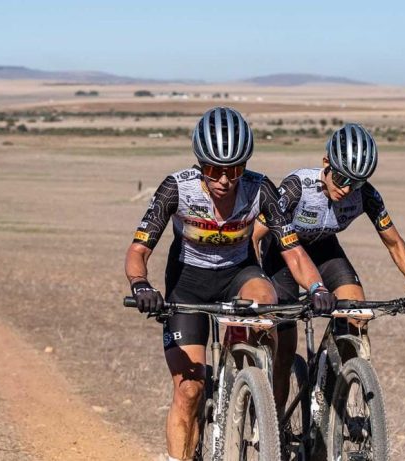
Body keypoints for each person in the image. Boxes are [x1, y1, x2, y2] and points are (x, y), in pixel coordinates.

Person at [124, 107, 336, 461]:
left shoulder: (259, 188)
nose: (224, 180)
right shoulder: (177, 188)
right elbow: (138, 249)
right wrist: (140, 285)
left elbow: (293, 251)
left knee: (266, 302)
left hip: (239, 273)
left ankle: (250, 385)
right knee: (188, 391)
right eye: (214, 170)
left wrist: (317, 288)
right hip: (187, 283)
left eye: (235, 170)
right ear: (200, 164)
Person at [253, 122, 405, 416]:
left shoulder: (366, 195)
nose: (347, 188)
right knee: (285, 347)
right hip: (283, 252)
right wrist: (256, 279)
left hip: (325, 249)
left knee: (357, 313)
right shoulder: (298, 186)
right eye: (341, 178)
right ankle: (273, 423)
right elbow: (255, 235)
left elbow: (394, 242)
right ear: (326, 162)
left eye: (357, 183)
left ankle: (337, 394)